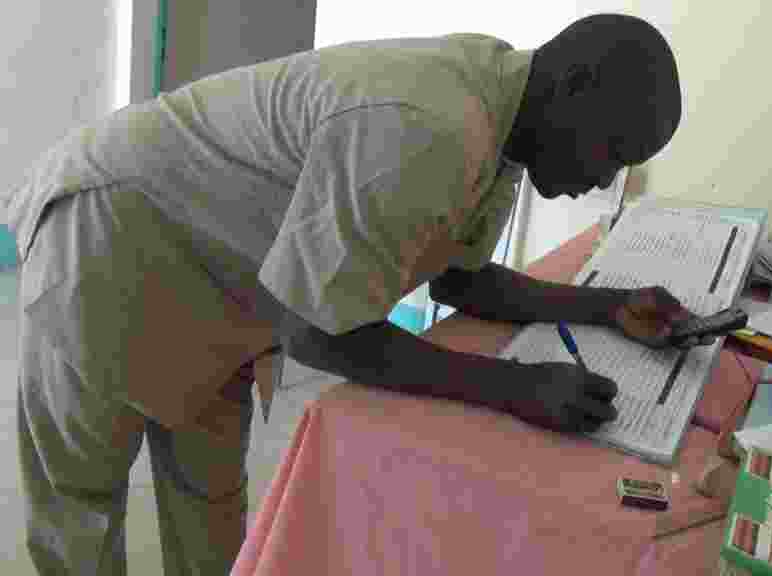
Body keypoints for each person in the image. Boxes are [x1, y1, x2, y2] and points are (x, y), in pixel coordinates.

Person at [4, 12, 688, 576]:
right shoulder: (431, 126)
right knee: (81, 512)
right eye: (614, 149)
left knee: (209, 506)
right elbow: (318, 332)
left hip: (218, 284)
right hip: (106, 240)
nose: (606, 178)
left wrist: (604, 307)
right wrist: (517, 386)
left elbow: (460, 277)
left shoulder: (502, 120)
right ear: (576, 85)